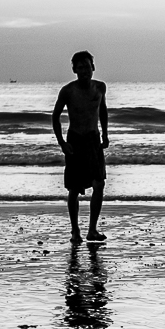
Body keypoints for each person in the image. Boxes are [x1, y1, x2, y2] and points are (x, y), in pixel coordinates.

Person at [50, 51, 110, 244]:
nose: (84, 70)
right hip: (75, 140)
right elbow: (55, 116)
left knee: (99, 184)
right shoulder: (68, 91)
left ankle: (92, 229)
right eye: (80, 67)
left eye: (87, 66)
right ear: (74, 69)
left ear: (93, 67)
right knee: (74, 189)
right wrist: (62, 143)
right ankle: (75, 231)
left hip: (93, 139)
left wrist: (106, 134)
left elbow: (103, 110)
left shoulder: (100, 87)